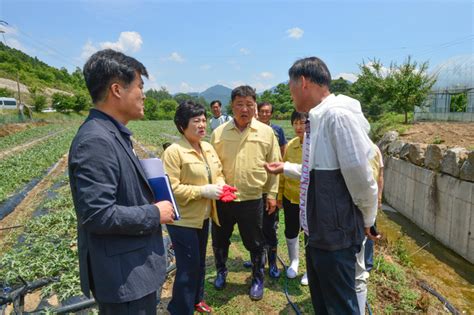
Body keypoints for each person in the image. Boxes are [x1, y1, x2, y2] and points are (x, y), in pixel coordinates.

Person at [265, 57, 379, 314]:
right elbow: (316, 172)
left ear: (303, 82)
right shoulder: (316, 119)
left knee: (339, 305)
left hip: (334, 235)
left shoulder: (336, 116)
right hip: (318, 232)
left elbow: (361, 178)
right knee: (323, 303)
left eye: (290, 86)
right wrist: (285, 167)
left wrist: (368, 220)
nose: (290, 93)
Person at [68, 49, 175, 315]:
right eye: (139, 86)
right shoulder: (96, 140)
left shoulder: (111, 133)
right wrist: (154, 212)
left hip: (132, 270)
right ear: (117, 89)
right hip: (124, 279)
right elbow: (97, 215)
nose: (144, 94)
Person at [210, 85, 281, 301]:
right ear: (232, 106)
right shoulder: (219, 133)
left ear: (255, 107)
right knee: (220, 239)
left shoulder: (266, 132)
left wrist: (272, 194)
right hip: (224, 198)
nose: (244, 109)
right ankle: (222, 272)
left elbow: (275, 165)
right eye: (239, 104)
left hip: (252, 198)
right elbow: (213, 165)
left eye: (249, 104)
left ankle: (257, 278)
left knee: (255, 242)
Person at [162, 100, 226, 315]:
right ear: (182, 125)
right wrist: (203, 191)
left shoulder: (207, 147)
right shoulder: (174, 152)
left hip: (203, 217)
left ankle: (197, 299)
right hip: (183, 220)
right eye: (196, 121)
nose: (202, 125)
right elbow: (172, 188)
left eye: (204, 120)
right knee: (188, 267)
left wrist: (220, 184)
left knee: (199, 263)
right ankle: (180, 309)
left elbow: (218, 172)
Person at [243, 102, 287, 278]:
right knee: (253, 228)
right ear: (257, 112)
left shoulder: (275, 131)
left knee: (270, 227)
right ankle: (256, 260)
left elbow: (281, 154)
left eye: (268, 112)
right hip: (253, 188)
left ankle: (273, 263)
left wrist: (275, 189)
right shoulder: (248, 130)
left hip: (268, 185)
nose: (264, 114)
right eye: (261, 111)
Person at [276, 110, 308, 285]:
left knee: (311, 234)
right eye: (295, 123)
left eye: (302, 123)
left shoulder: (316, 145)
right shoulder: (290, 146)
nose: (298, 127)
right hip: (290, 197)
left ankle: (310, 268)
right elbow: (282, 173)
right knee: (291, 230)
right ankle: (294, 261)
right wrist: (280, 195)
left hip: (310, 200)